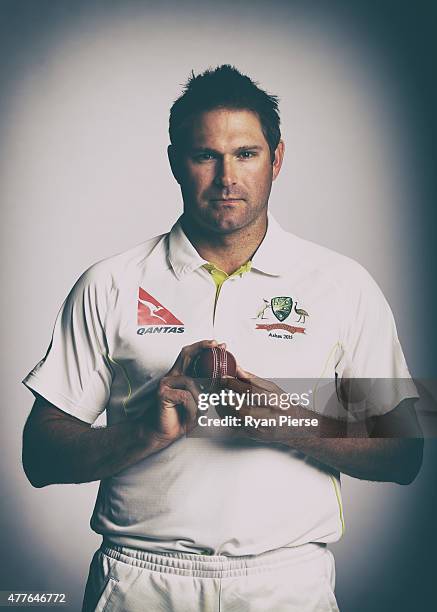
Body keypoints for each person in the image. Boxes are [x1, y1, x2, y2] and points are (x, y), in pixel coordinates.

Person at [22, 65, 423, 612]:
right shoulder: (111, 283)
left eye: (246, 154)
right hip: (142, 579)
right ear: (174, 163)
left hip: (285, 583)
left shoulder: (341, 284)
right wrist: (145, 432)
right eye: (205, 155)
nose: (226, 177)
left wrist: (292, 424)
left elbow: (404, 452)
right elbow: (39, 455)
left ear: (277, 159)